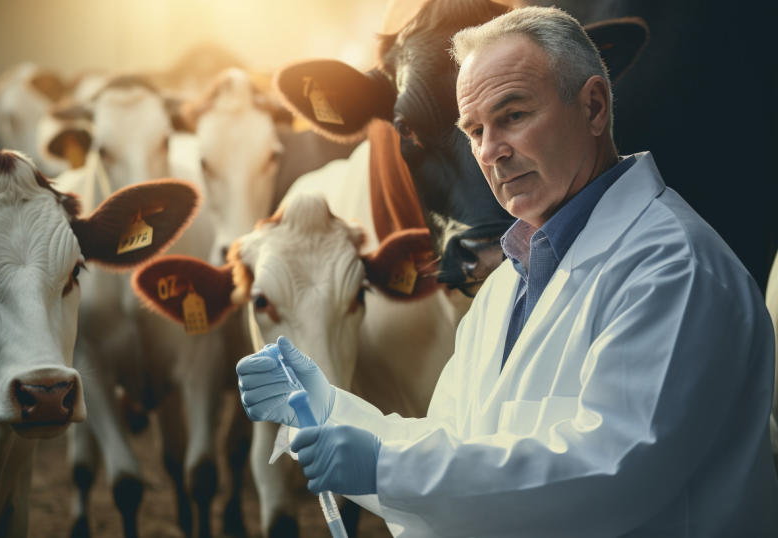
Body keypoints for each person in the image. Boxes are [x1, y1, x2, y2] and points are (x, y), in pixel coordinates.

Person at [236, 6, 778, 537]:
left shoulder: (673, 268)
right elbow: (457, 447)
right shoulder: (504, 285)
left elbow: (611, 474)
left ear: (593, 108)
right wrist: (325, 410)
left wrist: (384, 466)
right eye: (472, 131)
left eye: (513, 116)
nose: (491, 151)